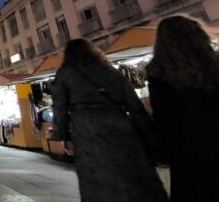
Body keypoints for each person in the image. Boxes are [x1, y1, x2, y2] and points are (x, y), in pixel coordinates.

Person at [52, 39, 167, 202]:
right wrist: (149, 134)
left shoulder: (66, 72)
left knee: (96, 176)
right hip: (119, 123)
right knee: (132, 174)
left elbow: (59, 107)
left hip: (86, 129)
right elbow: (134, 104)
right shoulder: (109, 70)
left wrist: (62, 135)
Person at [147, 15, 219, 201]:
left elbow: (164, 120)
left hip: (188, 152)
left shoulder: (159, 73)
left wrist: (162, 152)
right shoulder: (214, 63)